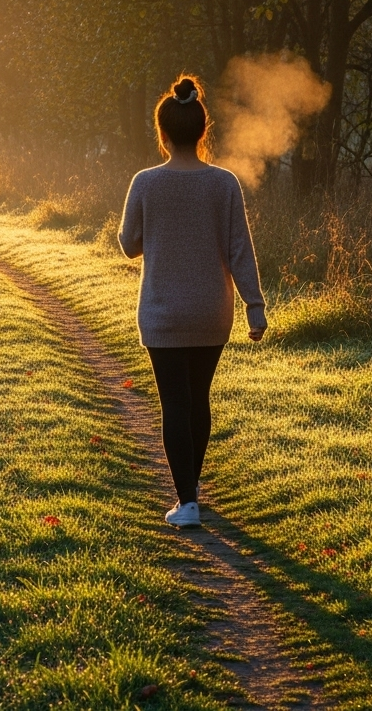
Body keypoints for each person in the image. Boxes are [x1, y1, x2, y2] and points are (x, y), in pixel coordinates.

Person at [118, 75, 266, 528]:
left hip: (162, 312)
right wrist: (254, 307)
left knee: (174, 404)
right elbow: (239, 248)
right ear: (204, 130)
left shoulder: (145, 183)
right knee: (197, 399)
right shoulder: (224, 184)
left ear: (161, 134)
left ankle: (186, 502)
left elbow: (130, 245)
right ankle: (192, 488)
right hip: (210, 311)